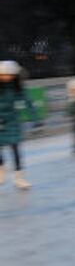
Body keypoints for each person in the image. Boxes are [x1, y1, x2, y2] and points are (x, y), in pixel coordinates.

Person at [0, 60, 37, 189]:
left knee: (15, 149)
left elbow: (28, 102)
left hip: (12, 121)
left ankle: (19, 178)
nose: (6, 77)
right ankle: (1, 169)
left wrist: (34, 117)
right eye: (3, 74)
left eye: (9, 75)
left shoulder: (17, 88)